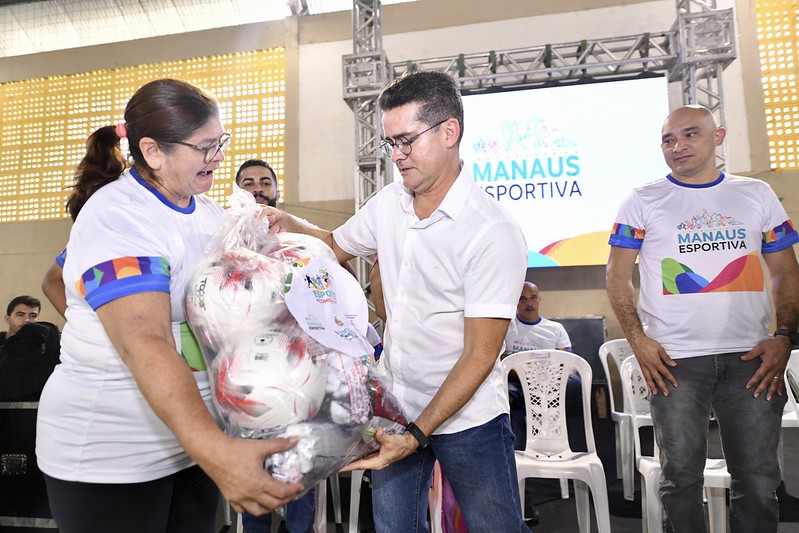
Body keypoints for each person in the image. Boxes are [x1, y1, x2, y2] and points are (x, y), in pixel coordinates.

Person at [35, 78, 303, 533]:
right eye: (204, 147)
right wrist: (217, 452)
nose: (218, 157)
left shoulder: (207, 213)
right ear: (153, 151)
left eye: (221, 142)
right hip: (113, 453)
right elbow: (146, 341)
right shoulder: (118, 214)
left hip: (188, 442)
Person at [266, 70, 529, 532]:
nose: (396, 156)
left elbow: (481, 354)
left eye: (406, 141)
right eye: (390, 144)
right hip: (396, 406)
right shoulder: (390, 202)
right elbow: (333, 243)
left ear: (450, 132)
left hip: (468, 418)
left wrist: (418, 434)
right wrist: (283, 221)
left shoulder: (492, 232)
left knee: (497, 527)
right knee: (393, 527)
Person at [606, 104, 799, 533]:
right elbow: (617, 274)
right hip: (675, 363)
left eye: (690, 135)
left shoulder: (757, 195)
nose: (678, 146)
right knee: (680, 481)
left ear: (719, 137)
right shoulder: (643, 200)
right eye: (668, 140)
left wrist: (784, 337)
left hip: (752, 359)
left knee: (757, 481)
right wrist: (637, 339)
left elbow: (787, 270)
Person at [235, 158, 315, 533]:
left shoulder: (297, 241)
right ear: (236, 192)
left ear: (276, 192)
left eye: (265, 182)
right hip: (244, 372)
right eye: (248, 182)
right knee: (253, 466)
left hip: (295, 368)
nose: (257, 188)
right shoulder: (224, 242)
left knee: (298, 466)